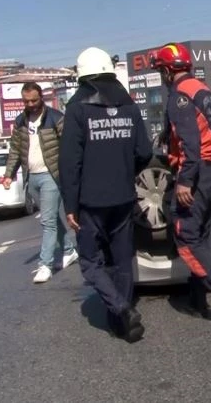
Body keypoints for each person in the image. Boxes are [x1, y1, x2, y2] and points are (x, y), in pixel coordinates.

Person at [150, 42, 211, 330]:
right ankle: (198, 295)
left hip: (197, 173)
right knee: (203, 234)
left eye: (161, 71)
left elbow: (191, 143)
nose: (162, 77)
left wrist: (184, 181)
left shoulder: (178, 95)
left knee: (186, 237)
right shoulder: (201, 90)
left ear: (169, 71)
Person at [59, 47, 153, 343]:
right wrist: (125, 173)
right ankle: (121, 321)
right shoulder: (129, 106)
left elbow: (69, 163)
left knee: (90, 262)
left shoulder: (77, 109)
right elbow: (145, 152)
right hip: (124, 197)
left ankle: (122, 309)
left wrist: (70, 205)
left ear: (82, 76)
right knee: (122, 260)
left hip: (90, 202)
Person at [2, 82, 79, 284]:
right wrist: (9, 174)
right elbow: (15, 151)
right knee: (51, 218)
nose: (31, 104)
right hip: (32, 177)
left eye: (34, 100)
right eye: (26, 101)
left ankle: (45, 265)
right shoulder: (20, 122)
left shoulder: (55, 118)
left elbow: (69, 147)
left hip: (51, 175)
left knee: (46, 221)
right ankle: (69, 250)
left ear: (41, 98)